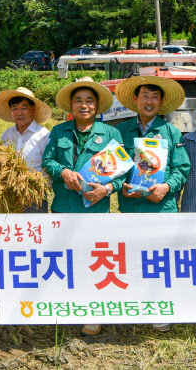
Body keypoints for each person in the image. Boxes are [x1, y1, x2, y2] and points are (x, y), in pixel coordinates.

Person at [42, 77, 123, 337]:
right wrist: (62, 171)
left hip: (95, 209)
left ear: (98, 105)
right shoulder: (59, 131)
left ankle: (92, 312)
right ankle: (65, 306)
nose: (84, 105)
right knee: (63, 259)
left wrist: (108, 189)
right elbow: (48, 160)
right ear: (71, 105)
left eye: (89, 101)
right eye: (79, 101)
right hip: (63, 207)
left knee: (94, 260)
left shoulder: (111, 133)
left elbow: (122, 171)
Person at [114, 76, 190, 333]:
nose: (149, 101)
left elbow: (182, 168)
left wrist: (166, 187)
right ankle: (135, 306)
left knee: (160, 259)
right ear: (135, 100)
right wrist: (124, 185)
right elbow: (115, 167)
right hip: (131, 206)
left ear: (161, 102)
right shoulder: (121, 131)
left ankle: (159, 310)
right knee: (132, 257)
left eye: (155, 97)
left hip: (161, 207)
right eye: (145, 96)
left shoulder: (172, 132)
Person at [0, 87, 52, 213]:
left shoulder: (43, 135)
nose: (19, 113)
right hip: (9, 196)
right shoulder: (7, 135)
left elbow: (48, 167)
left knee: (33, 230)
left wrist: (32, 187)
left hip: (34, 197)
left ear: (33, 109)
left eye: (24, 108)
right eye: (15, 109)